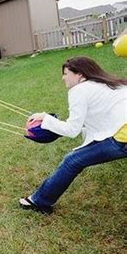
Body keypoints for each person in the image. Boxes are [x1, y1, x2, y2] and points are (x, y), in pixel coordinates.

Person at [20, 56, 127, 214]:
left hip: (122, 138)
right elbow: (100, 121)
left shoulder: (78, 90)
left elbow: (72, 130)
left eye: (65, 73)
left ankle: (39, 201)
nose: (63, 78)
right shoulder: (106, 83)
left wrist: (46, 119)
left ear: (80, 75)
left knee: (72, 160)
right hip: (121, 131)